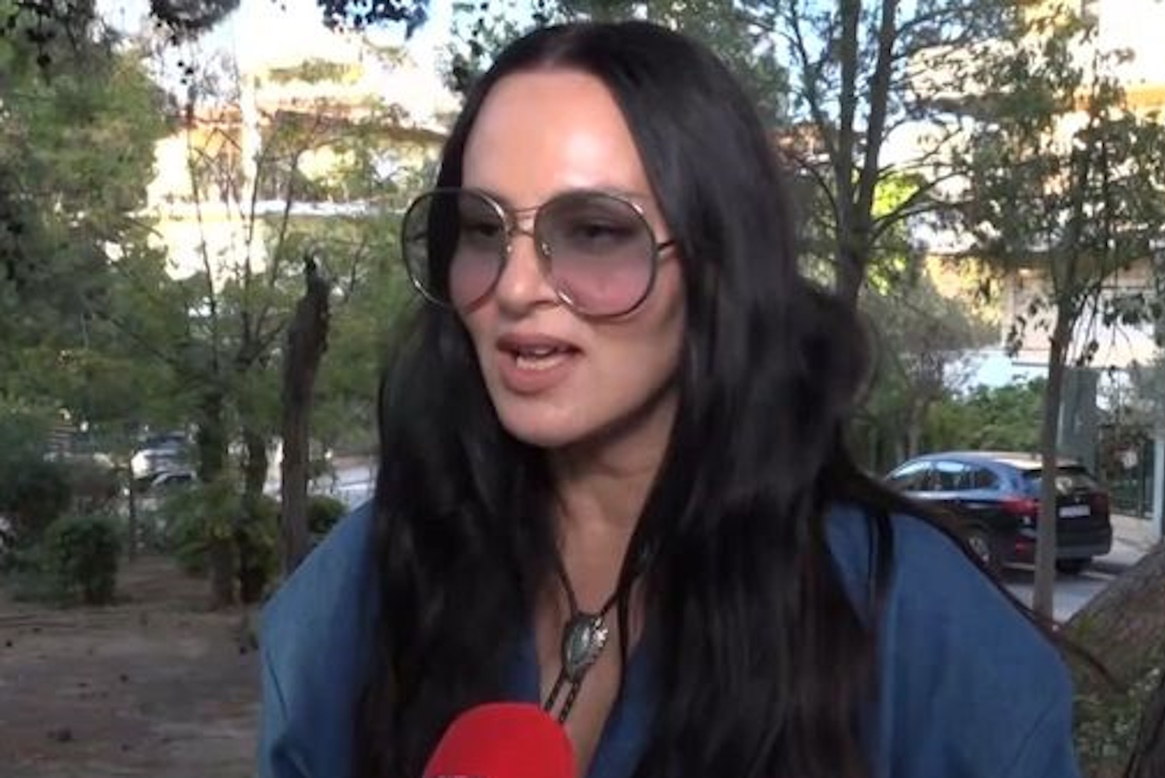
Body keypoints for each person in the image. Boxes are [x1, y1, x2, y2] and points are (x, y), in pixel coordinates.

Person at [257, 20, 1083, 778]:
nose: (514, 287)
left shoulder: (915, 626)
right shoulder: (364, 588)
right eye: (482, 229)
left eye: (594, 231)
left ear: (719, 266)